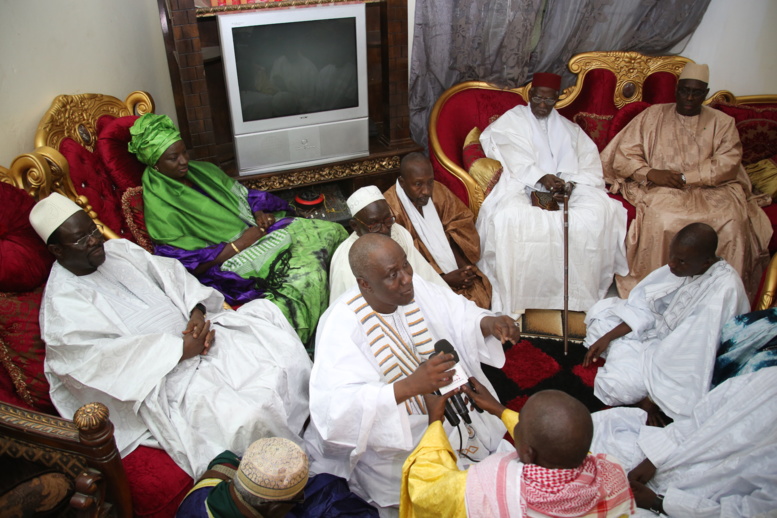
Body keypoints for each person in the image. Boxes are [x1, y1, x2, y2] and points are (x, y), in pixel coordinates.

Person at [32, 193, 312, 478]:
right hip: (163, 378)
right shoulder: (63, 303)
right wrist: (177, 350)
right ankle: (287, 478)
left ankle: (318, 439)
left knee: (281, 353)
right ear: (57, 250)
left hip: (205, 335)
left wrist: (197, 311)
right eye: (82, 239)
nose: (94, 240)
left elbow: (173, 276)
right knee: (249, 417)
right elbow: (90, 362)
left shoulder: (119, 251)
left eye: (93, 230)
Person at [306, 233, 521, 514]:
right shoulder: (340, 323)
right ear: (364, 284)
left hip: (460, 411)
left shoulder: (416, 286)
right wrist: (410, 386)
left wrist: (489, 323)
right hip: (400, 444)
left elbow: (459, 315)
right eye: (392, 275)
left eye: (406, 265)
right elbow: (336, 409)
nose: (406, 278)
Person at [129, 113, 347, 344]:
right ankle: (320, 341)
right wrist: (240, 243)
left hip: (260, 232)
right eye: (174, 157)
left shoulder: (203, 171)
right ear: (156, 164)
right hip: (229, 263)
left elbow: (246, 196)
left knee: (333, 232)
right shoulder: (160, 206)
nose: (184, 161)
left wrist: (258, 212)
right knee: (306, 279)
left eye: (184, 152)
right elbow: (182, 263)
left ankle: (345, 313)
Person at [601, 62, 772, 299]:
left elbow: (728, 163)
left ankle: (717, 297)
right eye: (685, 90)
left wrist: (686, 177)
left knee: (732, 221)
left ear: (706, 93)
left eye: (696, 92)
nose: (689, 97)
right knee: (663, 219)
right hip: (662, 188)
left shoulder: (722, 123)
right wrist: (650, 173)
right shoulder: (653, 116)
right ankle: (657, 294)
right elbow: (625, 155)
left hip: (714, 189)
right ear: (676, 90)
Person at [476, 72, 628, 316]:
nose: (543, 105)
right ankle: (521, 295)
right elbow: (500, 147)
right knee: (509, 218)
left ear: (557, 99)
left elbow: (588, 164)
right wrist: (540, 177)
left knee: (599, 214)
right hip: (521, 185)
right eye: (538, 99)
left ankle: (576, 297)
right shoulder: (512, 120)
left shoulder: (570, 130)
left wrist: (568, 185)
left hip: (565, 191)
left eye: (549, 100)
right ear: (530, 95)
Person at [582, 223, 749, 425]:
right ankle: (623, 355)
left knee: (616, 387)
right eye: (671, 256)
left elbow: (693, 355)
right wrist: (609, 337)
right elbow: (646, 306)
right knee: (600, 315)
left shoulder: (722, 292)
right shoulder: (685, 265)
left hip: (676, 362)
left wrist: (653, 398)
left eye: (679, 261)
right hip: (655, 337)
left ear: (705, 263)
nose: (671, 264)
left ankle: (646, 392)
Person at [400, 385, 635, 518]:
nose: (517, 423)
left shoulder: (487, 491)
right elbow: (552, 443)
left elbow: (426, 487)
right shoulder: (612, 472)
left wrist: (434, 422)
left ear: (528, 454)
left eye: (519, 423)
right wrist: (500, 410)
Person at [590, 366, 777, 517]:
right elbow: (700, 416)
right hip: (670, 460)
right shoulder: (770, 379)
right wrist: (654, 458)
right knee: (590, 432)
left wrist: (659, 503)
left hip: (689, 507)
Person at [384, 152, 492, 309]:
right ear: (402, 182)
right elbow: (400, 259)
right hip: (421, 284)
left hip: (452, 267)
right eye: (418, 184)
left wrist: (463, 270)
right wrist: (443, 279)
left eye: (430, 182)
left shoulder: (439, 193)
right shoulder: (390, 208)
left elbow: (461, 224)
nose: (427, 191)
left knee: (479, 299)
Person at [176, 437, 378, 518]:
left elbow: (227, 459)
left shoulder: (216, 477)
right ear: (274, 508)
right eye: (298, 497)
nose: (303, 496)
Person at [328, 185, 449, 303]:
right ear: (355, 226)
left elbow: (423, 275)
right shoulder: (346, 261)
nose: (385, 229)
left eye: (388, 220)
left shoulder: (398, 232)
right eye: (374, 225)